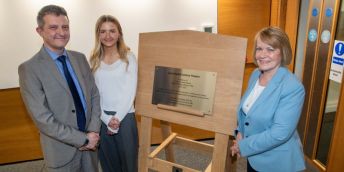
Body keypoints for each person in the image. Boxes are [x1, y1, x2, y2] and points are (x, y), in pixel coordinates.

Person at [18, 5, 101, 172]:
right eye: (53, 27)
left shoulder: (80, 58)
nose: (61, 32)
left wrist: (92, 132)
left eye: (65, 27)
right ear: (39, 31)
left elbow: (94, 96)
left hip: (91, 147)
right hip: (61, 153)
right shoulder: (30, 69)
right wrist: (82, 139)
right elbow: (43, 120)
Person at [230, 26, 306, 172]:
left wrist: (243, 145)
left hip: (276, 162)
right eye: (259, 49)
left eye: (270, 49)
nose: (262, 55)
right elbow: (247, 111)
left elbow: (279, 134)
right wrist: (240, 132)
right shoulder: (255, 74)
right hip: (253, 157)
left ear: (282, 52)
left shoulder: (292, 87)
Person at [89, 15, 138, 172]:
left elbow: (130, 92)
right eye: (103, 31)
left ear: (119, 33)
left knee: (129, 164)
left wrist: (116, 119)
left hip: (125, 117)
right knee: (108, 164)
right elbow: (95, 94)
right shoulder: (94, 60)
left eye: (112, 31)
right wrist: (107, 118)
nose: (108, 35)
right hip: (102, 119)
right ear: (98, 34)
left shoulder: (128, 57)